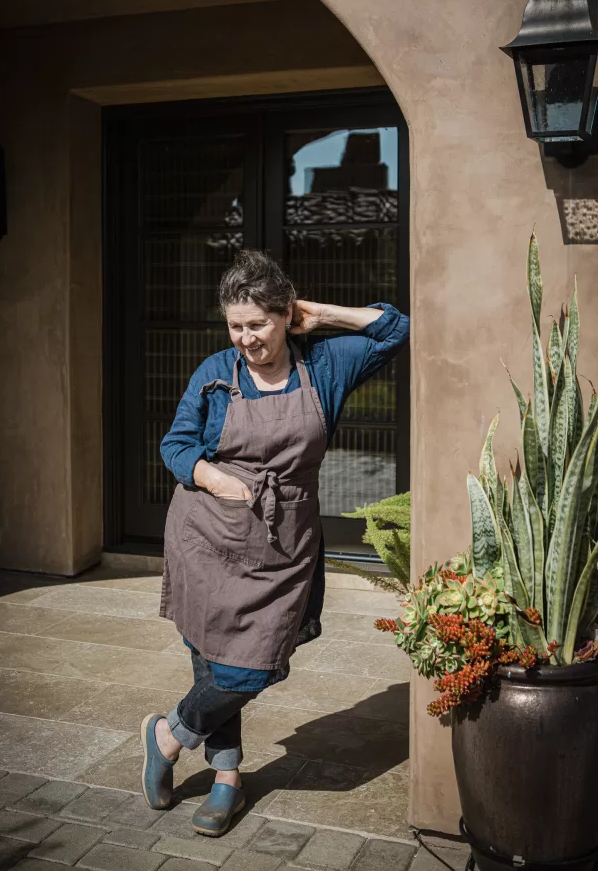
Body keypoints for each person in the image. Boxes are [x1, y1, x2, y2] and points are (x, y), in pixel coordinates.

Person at [140, 250, 409, 836]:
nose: (246, 339)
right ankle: (228, 777)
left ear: (286, 315)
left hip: (284, 544)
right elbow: (177, 446)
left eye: (258, 324)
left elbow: (394, 329)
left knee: (252, 668)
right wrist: (214, 477)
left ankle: (168, 734)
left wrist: (323, 313)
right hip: (208, 535)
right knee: (215, 658)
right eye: (236, 326)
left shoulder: (326, 365)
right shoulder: (215, 373)